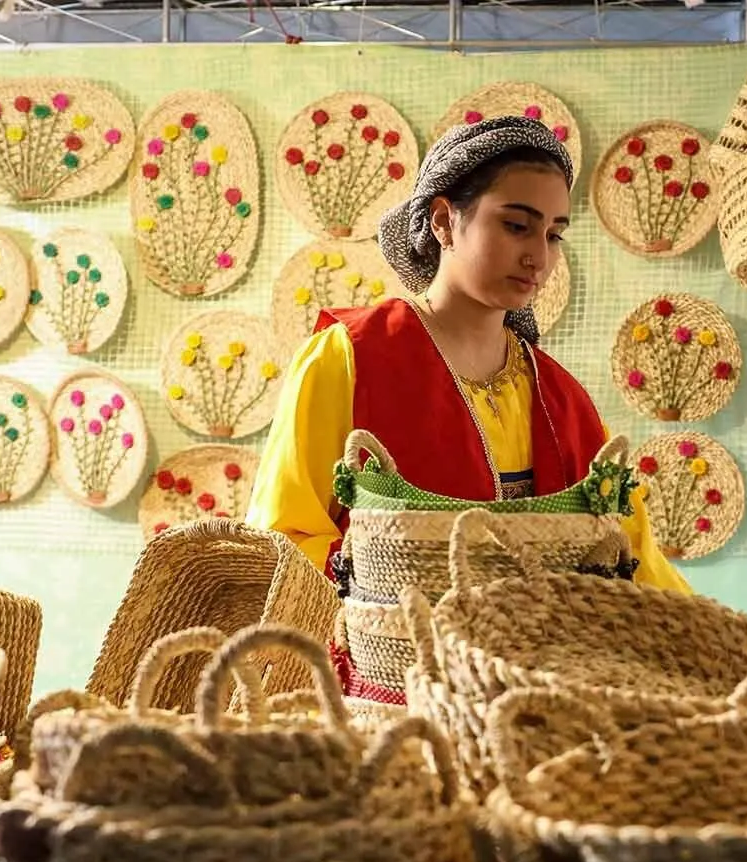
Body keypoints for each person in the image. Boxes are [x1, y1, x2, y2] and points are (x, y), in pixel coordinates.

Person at [245, 114, 689, 595]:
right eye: (516, 225)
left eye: (553, 235)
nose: (539, 257)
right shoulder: (349, 357)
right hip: (386, 640)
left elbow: (635, 559)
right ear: (443, 221)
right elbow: (284, 542)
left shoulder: (563, 400)